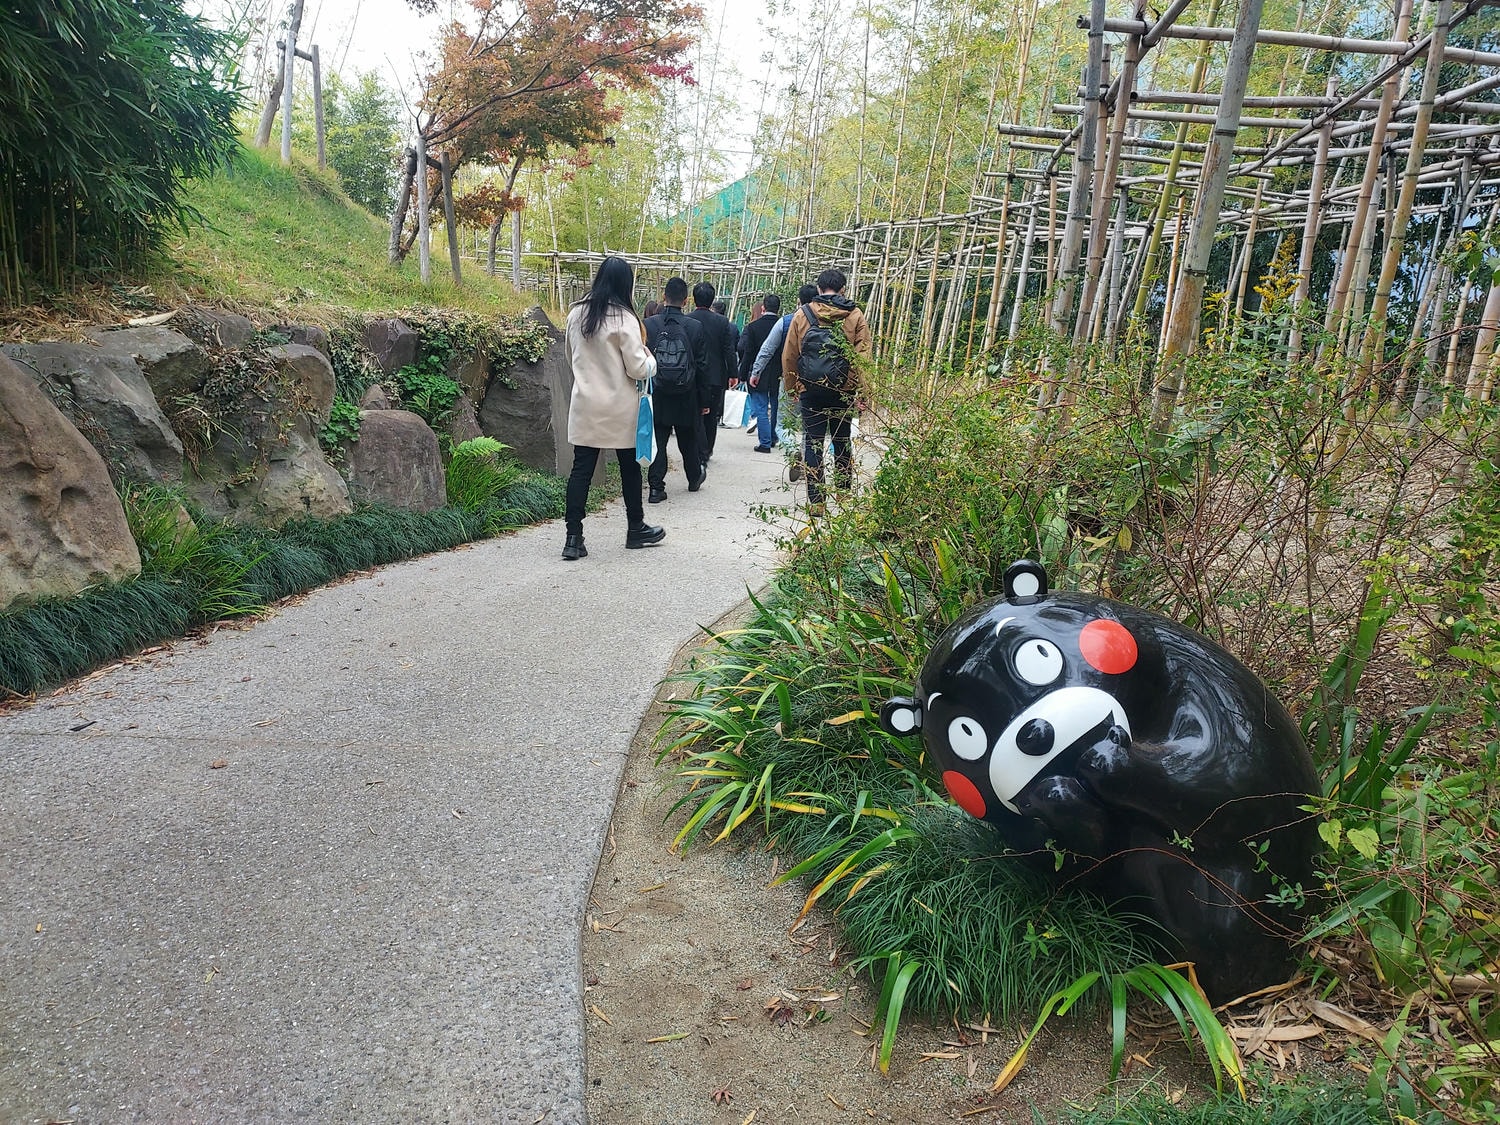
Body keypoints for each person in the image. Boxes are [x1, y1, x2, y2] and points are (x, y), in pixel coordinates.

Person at [561, 256, 666, 560]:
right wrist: (651, 361)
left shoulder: (576, 314)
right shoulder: (625, 318)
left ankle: (573, 537)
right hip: (620, 407)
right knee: (629, 469)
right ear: (626, 284)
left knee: (581, 471)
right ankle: (636, 528)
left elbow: (571, 359)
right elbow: (637, 368)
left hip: (585, 404)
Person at [782, 268, 872, 514]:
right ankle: (842, 496)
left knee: (813, 443)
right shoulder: (854, 315)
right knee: (842, 441)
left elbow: (790, 354)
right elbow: (863, 356)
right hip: (843, 390)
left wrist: (792, 386)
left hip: (810, 389)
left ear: (819, 289)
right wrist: (863, 393)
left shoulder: (803, 314)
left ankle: (818, 502)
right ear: (843, 289)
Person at [644, 277, 709, 504]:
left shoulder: (650, 325)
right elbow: (701, 366)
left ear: (664, 297)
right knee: (687, 439)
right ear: (686, 300)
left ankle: (655, 488)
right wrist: (705, 400)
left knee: (659, 439)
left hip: (658, 391)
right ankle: (693, 478)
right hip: (686, 394)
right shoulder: (694, 327)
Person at [749, 283, 817, 454]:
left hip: (791, 378)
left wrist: (756, 372)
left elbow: (767, 350)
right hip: (820, 380)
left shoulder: (787, 321)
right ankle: (807, 460)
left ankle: (792, 450)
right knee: (811, 425)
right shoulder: (829, 321)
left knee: (782, 423)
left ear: (798, 301)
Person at [689, 282, 737, 468]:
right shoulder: (722, 322)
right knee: (712, 416)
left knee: (696, 414)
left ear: (693, 298)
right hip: (716, 376)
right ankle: (707, 449)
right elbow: (728, 350)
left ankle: (698, 450)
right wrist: (733, 373)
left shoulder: (689, 320)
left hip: (694, 375)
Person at [738, 292, 782, 453]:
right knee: (775, 405)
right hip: (778, 372)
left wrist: (743, 374)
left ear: (763, 307)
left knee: (761, 407)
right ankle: (772, 436)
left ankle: (765, 442)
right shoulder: (783, 325)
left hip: (759, 372)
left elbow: (748, 352)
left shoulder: (753, 327)